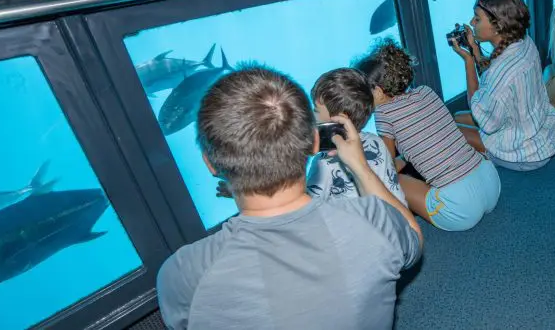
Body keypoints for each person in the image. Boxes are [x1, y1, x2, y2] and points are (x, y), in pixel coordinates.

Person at [156, 64, 422, 330]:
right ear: (315, 142)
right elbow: (413, 239)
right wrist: (361, 168)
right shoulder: (376, 222)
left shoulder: (185, 273)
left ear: (211, 165)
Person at [354, 39, 501, 232]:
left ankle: (402, 232)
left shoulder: (384, 114)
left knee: (389, 180)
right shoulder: (426, 91)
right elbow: (429, 139)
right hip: (491, 181)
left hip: (461, 208)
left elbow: (386, 167)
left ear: (379, 92)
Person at [451, 0, 555, 171]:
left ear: (498, 26)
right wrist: (474, 48)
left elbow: (480, 113)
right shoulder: (524, 42)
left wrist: (468, 61)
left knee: (453, 129)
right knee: (458, 117)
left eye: (477, 18)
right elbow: (494, 73)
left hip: (523, 155)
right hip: (539, 132)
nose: (472, 23)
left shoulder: (501, 75)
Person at [306, 68, 408, 207]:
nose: (312, 114)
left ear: (339, 119)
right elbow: (392, 186)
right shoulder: (376, 142)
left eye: (316, 110)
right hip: (392, 219)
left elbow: (309, 204)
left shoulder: (324, 160)